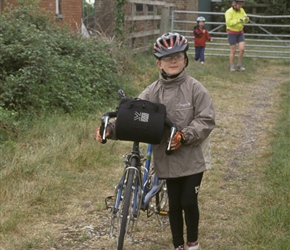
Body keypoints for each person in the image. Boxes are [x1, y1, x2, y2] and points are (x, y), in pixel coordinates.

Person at [94, 32, 215, 250]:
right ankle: (178, 245)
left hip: (193, 155)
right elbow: (132, 114)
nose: (174, 61)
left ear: (185, 59)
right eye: (168, 58)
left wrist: (184, 135)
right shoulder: (152, 91)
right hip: (166, 156)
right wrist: (109, 129)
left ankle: (193, 243)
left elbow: (206, 120)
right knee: (175, 204)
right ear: (159, 62)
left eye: (178, 56)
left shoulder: (196, 88)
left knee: (188, 200)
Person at [225, 0, 250, 72]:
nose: (240, 6)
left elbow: (246, 18)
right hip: (232, 32)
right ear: (235, 4)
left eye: (241, 5)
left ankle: (239, 64)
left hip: (240, 32)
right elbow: (229, 23)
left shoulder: (241, 10)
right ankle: (232, 66)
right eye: (239, 5)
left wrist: (246, 19)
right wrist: (240, 20)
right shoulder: (229, 12)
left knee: (242, 49)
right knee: (233, 50)